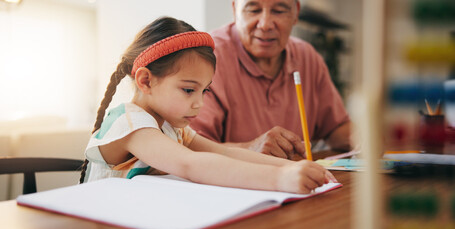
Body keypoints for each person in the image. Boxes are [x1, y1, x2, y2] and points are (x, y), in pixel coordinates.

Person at [79, 17, 336, 194]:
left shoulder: (171, 126)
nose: (199, 103)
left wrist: (293, 167)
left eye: (205, 90)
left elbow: (222, 152)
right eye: (189, 90)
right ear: (145, 80)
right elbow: (191, 164)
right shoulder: (131, 123)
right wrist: (280, 179)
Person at [189, 0, 351, 160]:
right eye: (253, 10)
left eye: (279, 11)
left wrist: (366, 139)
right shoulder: (208, 57)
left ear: (295, 14)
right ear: (235, 10)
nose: (265, 25)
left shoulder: (307, 57)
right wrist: (250, 149)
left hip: (296, 180)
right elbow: (189, 145)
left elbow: (336, 129)